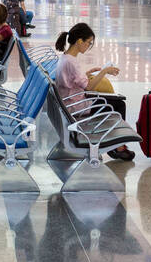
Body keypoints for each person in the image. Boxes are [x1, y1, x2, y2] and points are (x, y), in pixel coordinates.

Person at [53, 22, 134, 161]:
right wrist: (104, 72)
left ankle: (116, 145)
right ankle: (117, 147)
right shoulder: (72, 62)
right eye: (88, 42)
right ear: (79, 41)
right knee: (118, 105)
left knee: (114, 101)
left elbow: (73, 80)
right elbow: (89, 87)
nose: (89, 46)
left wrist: (87, 73)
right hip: (77, 108)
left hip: (70, 103)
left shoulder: (65, 58)